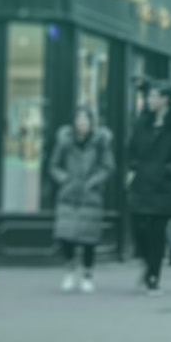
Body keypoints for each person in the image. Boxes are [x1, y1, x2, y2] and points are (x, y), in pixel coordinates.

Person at [126, 81, 171, 296]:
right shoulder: (142, 121)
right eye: (149, 96)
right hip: (142, 182)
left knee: (156, 233)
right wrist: (133, 166)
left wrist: (168, 169)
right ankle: (146, 262)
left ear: (165, 99)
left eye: (154, 96)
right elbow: (131, 148)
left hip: (163, 186)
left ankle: (154, 275)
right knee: (138, 228)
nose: (149, 100)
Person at [49, 106, 114, 294]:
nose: (82, 124)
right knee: (66, 235)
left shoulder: (100, 142)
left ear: (91, 123)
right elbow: (53, 165)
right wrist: (65, 180)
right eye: (79, 120)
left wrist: (94, 181)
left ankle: (87, 275)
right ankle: (69, 271)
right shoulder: (64, 142)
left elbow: (108, 166)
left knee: (88, 238)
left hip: (90, 195)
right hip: (68, 195)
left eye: (85, 120)